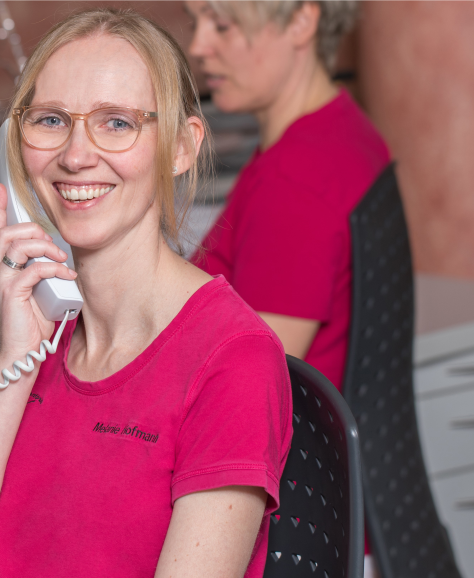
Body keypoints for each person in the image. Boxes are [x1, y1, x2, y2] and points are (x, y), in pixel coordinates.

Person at [0, 8, 291, 578]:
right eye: (51, 120)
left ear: (181, 147)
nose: (76, 155)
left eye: (116, 123)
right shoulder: (41, 336)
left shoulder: (233, 362)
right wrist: (13, 363)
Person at [186, 0, 390, 392]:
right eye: (195, 22)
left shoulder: (295, 180)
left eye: (222, 25)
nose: (198, 45)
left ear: (300, 22)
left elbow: (251, 387)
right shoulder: (343, 126)